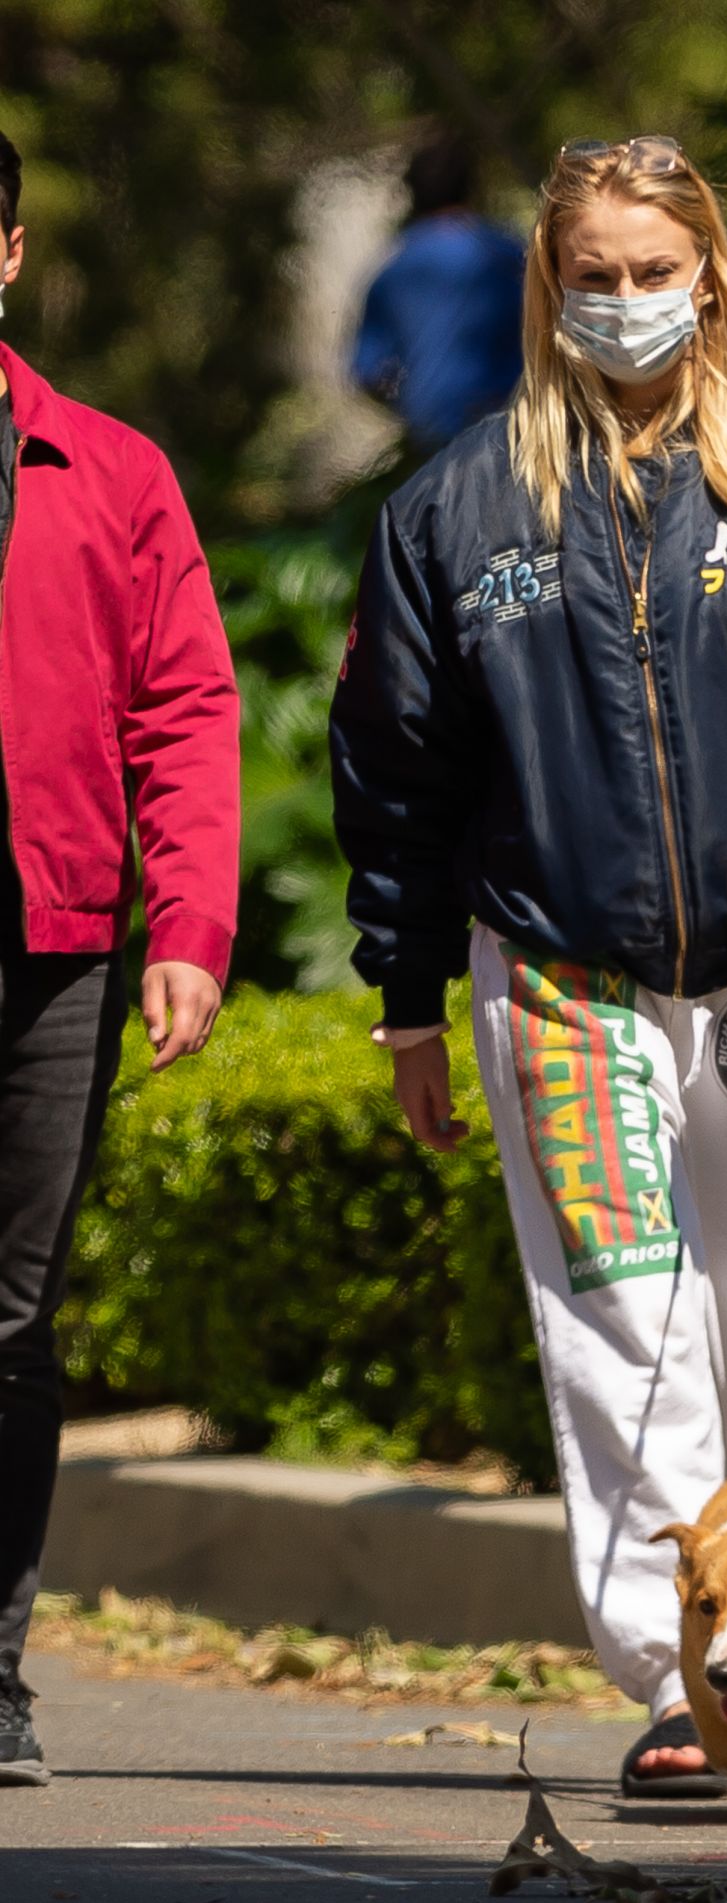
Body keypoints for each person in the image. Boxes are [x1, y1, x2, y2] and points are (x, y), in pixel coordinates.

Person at [330, 135, 727, 1796]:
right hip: (559, 978)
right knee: (628, 1339)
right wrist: (403, 1002)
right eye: (590, 275)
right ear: (550, 284)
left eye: (651, 272)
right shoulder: (458, 508)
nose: (623, 302)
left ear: (707, 278)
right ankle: (684, 1686)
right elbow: (394, 771)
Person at [0, 132, 240, 1787]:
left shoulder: (109, 471)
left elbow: (185, 709)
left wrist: (191, 928)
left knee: (10, 1325)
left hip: (52, 955)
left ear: (9, 254)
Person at [351, 125, 524, 453]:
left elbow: (367, 373)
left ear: (412, 195)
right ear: (472, 188)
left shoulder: (391, 270)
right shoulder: (506, 254)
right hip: (509, 432)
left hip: (432, 443)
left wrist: (415, 408)